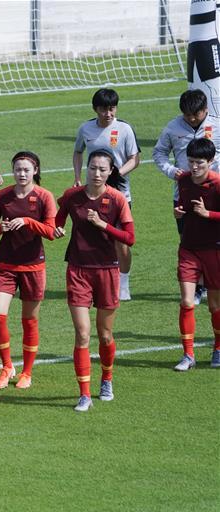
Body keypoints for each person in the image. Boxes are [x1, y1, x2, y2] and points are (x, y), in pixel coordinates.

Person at [55, 150, 135, 412]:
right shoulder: (72, 196)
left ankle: (107, 379)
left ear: (110, 171)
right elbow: (58, 220)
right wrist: (57, 228)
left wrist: (103, 225)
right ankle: (84, 394)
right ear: (86, 168)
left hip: (107, 271)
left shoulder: (117, 199)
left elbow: (129, 238)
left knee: (105, 334)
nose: (97, 173)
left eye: (102, 169)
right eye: (93, 168)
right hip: (78, 269)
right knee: (82, 333)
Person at [0, 151, 56, 390]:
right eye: (18, 169)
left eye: (26, 170)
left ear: (35, 170)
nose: (22, 174)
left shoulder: (44, 196)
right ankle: (7, 366)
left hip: (33, 266)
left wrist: (27, 221)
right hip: (5, 264)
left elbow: (50, 231)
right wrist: (1, 227)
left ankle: (26, 371)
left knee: (29, 320)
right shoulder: (2, 196)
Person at [73, 88, 140, 301]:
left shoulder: (124, 129)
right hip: (92, 192)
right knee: (95, 238)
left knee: (121, 241)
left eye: (112, 109)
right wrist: (77, 176)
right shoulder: (86, 129)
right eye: (104, 109)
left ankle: (124, 283)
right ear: (96, 109)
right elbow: (77, 151)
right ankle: (96, 282)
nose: (108, 114)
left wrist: (118, 173)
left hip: (120, 193)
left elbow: (135, 158)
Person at [154, 89, 220, 304]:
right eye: (187, 114)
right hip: (185, 195)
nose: (191, 118)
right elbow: (159, 153)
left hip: (215, 193)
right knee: (190, 240)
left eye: (196, 114)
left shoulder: (217, 125)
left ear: (205, 110)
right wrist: (173, 172)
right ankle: (198, 286)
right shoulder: (173, 128)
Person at [172, 138, 220, 370]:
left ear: (211, 161)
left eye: (199, 162)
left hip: (214, 249)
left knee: (215, 305)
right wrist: (178, 212)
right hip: (188, 248)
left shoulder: (218, 184)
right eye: (191, 161)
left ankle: (218, 348)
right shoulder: (183, 180)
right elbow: (182, 205)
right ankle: (188, 355)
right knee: (187, 301)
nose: (194, 167)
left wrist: (208, 214)